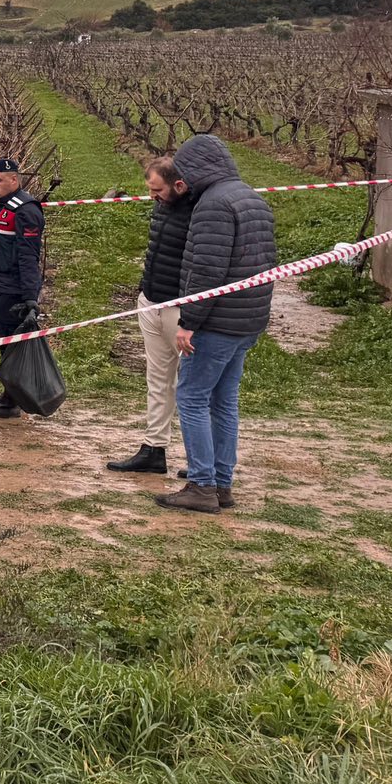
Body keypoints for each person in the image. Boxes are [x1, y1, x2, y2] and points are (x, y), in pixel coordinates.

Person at [157, 135, 275, 514]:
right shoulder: (252, 198)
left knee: (192, 398)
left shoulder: (213, 206)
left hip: (217, 323)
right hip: (246, 321)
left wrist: (188, 322)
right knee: (224, 401)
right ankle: (221, 483)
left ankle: (202, 485)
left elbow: (207, 271)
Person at [108, 157, 194, 477]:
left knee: (194, 386)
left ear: (178, 185)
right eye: (149, 189)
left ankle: (202, 460)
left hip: (180, 309)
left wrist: (191, 315)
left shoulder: (199, 211)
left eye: (157, 190)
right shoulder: (162, 207)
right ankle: (154, 449)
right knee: (157, 380)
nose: (152, 196)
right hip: (151, 302)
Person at [0, 158, 46, 419]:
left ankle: (11, 401)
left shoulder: (26, 211)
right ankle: (10, 395)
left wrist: (30, 297)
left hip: (12, 289)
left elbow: (29, 257)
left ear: (14, 180)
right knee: (4, 343)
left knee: (11, 347)